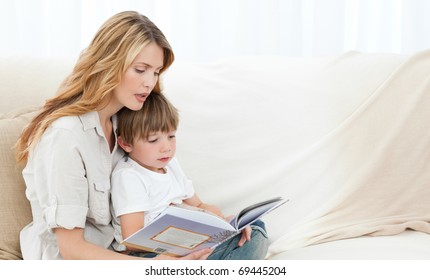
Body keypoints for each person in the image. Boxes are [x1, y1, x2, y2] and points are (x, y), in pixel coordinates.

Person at [15, 11, 211, 260]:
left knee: (250, 234)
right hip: (80, 265)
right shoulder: (65, 136)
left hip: (129, 254)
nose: (150, 82)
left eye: (156, 72)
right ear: (109, 63)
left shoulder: (127, 123)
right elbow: (71, 250)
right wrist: (154, 269)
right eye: (141, 69)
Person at [111, 92, 269, 260]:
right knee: (255, 238)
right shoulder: (129, 176)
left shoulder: (170, 164)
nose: (166, 147)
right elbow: (133, 240)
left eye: (171, 136)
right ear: (126, 143)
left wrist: (225, 224)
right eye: (153, 140)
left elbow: (199, 204)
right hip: (151, 253)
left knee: (254, 226)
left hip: (186, 241)